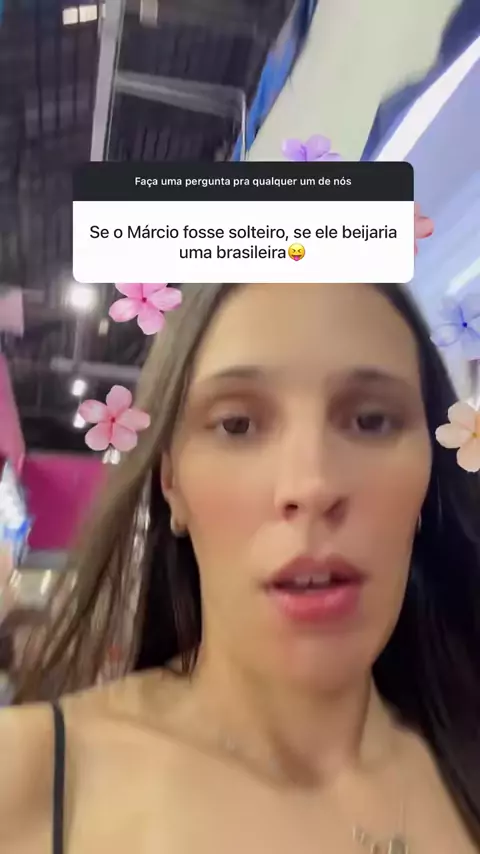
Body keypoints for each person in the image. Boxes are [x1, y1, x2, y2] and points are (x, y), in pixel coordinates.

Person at [0, 282, 479, 853]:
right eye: (237, 425)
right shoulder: (27, 779)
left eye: (372, 420)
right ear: (171, 483)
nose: (312, 485)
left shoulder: (462, 749)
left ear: (429, 474)